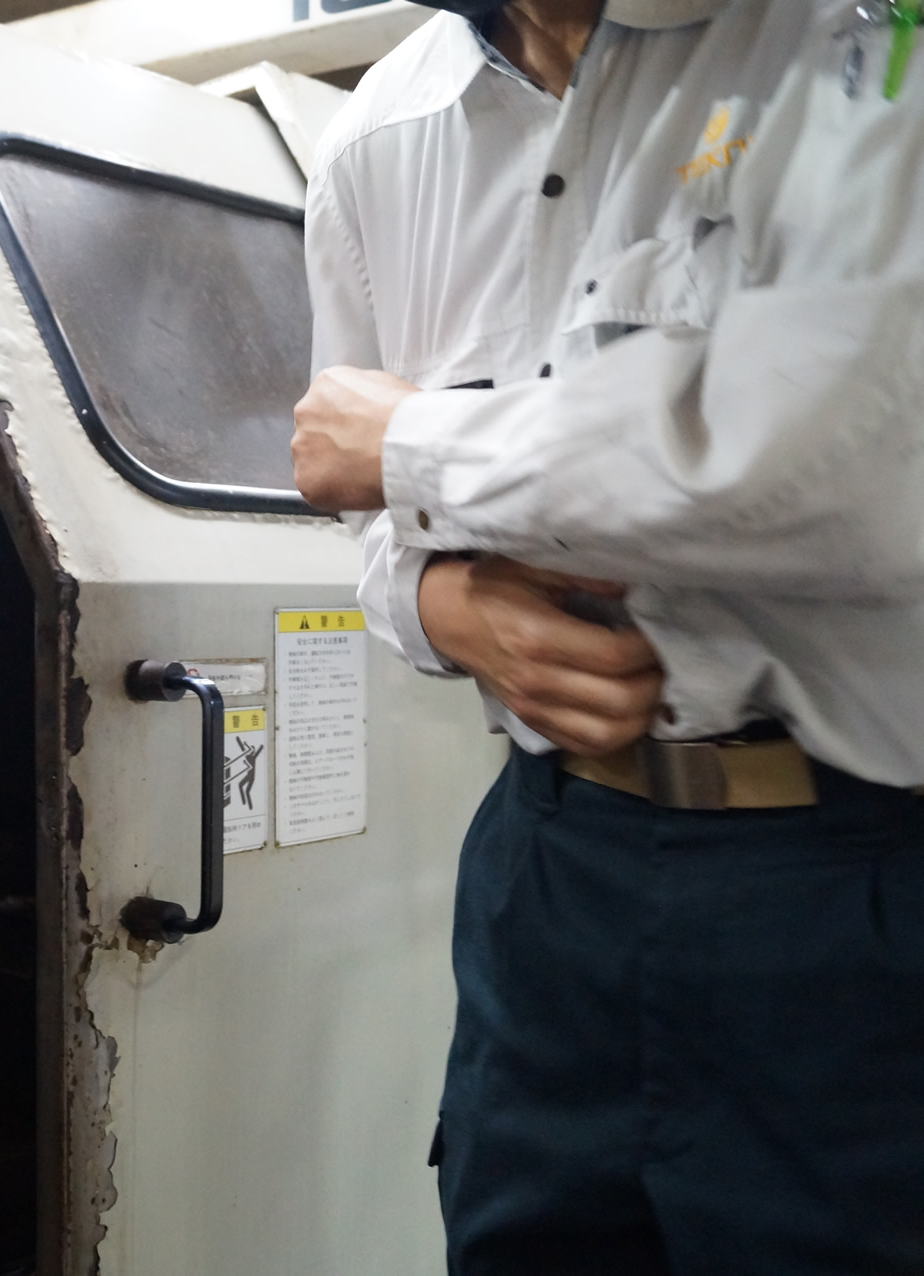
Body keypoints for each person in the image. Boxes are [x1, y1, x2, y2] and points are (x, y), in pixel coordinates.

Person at [296, 0, 924, 1270]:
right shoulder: (383, 133)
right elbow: (357, 514)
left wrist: (415, 445)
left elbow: (867, 460)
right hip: (550, 862)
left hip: (857, 875)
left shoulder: (863, 41)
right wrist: (438, 606)